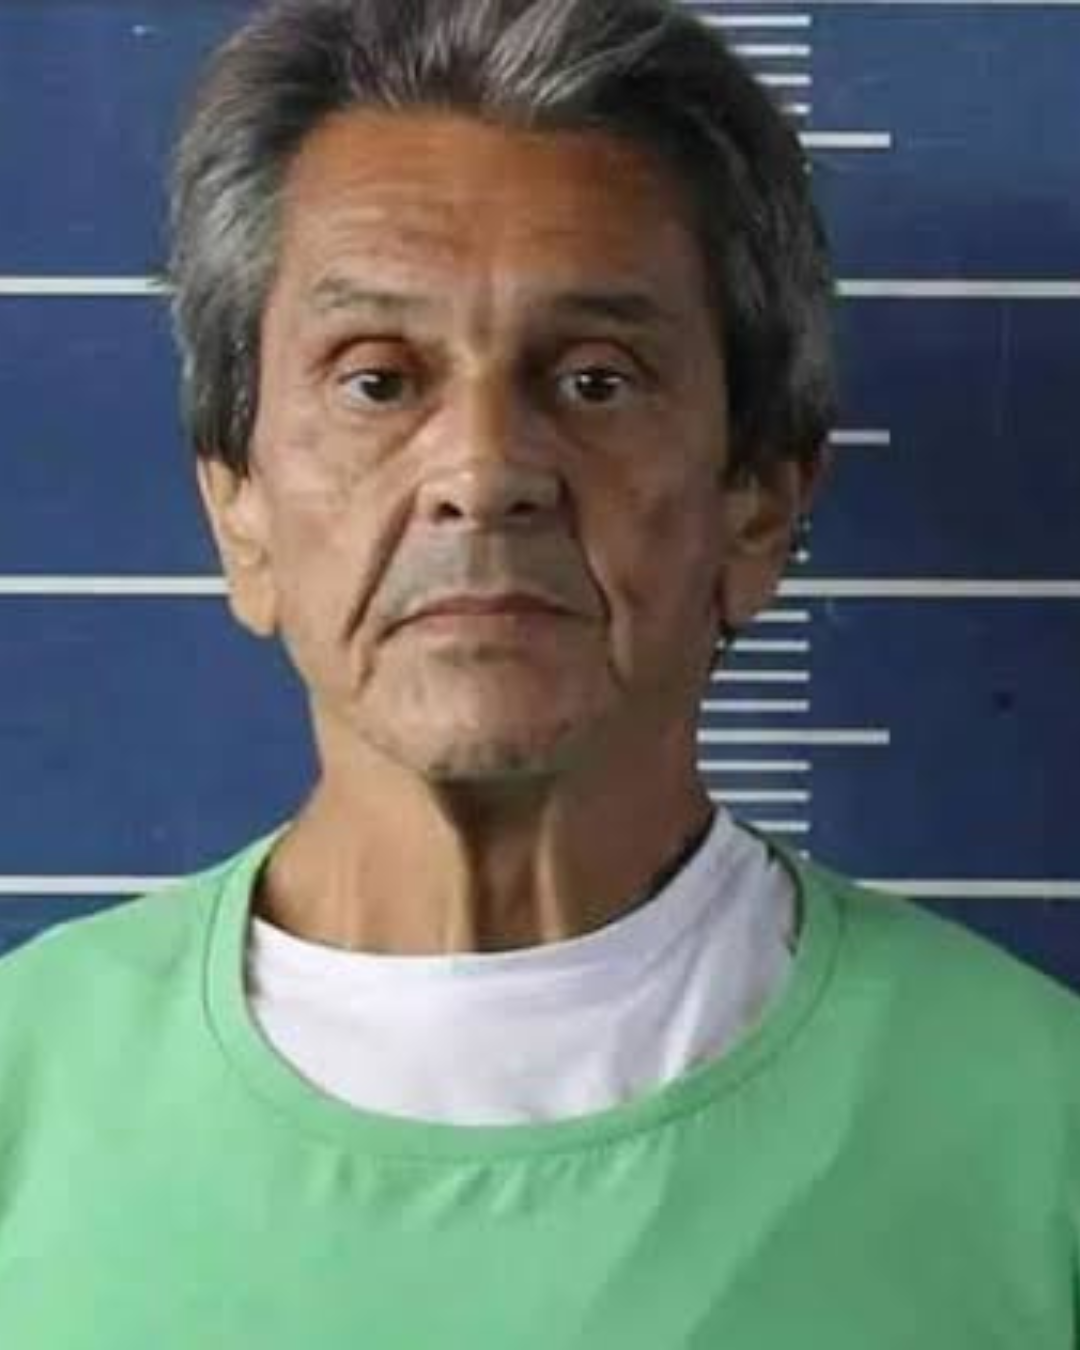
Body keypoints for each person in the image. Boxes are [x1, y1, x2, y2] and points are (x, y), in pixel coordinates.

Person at [1, 0, 1077, 1343]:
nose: (483, 471)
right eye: (378, 381)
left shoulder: (1040, 1139)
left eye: (596, 381)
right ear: (241, 511)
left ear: (757, 505)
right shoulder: (24, 1097)